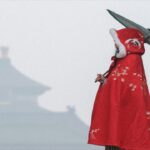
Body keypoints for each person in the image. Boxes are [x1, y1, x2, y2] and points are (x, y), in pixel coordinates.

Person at [87, 28, 150, 150]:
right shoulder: (124, 60)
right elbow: (119, 82)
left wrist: (108, 82)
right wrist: (105, 81)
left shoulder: (131, 59)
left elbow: (123, 83)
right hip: (122, 109)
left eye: (117, 44)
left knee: (124, 134)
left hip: (126, 110)